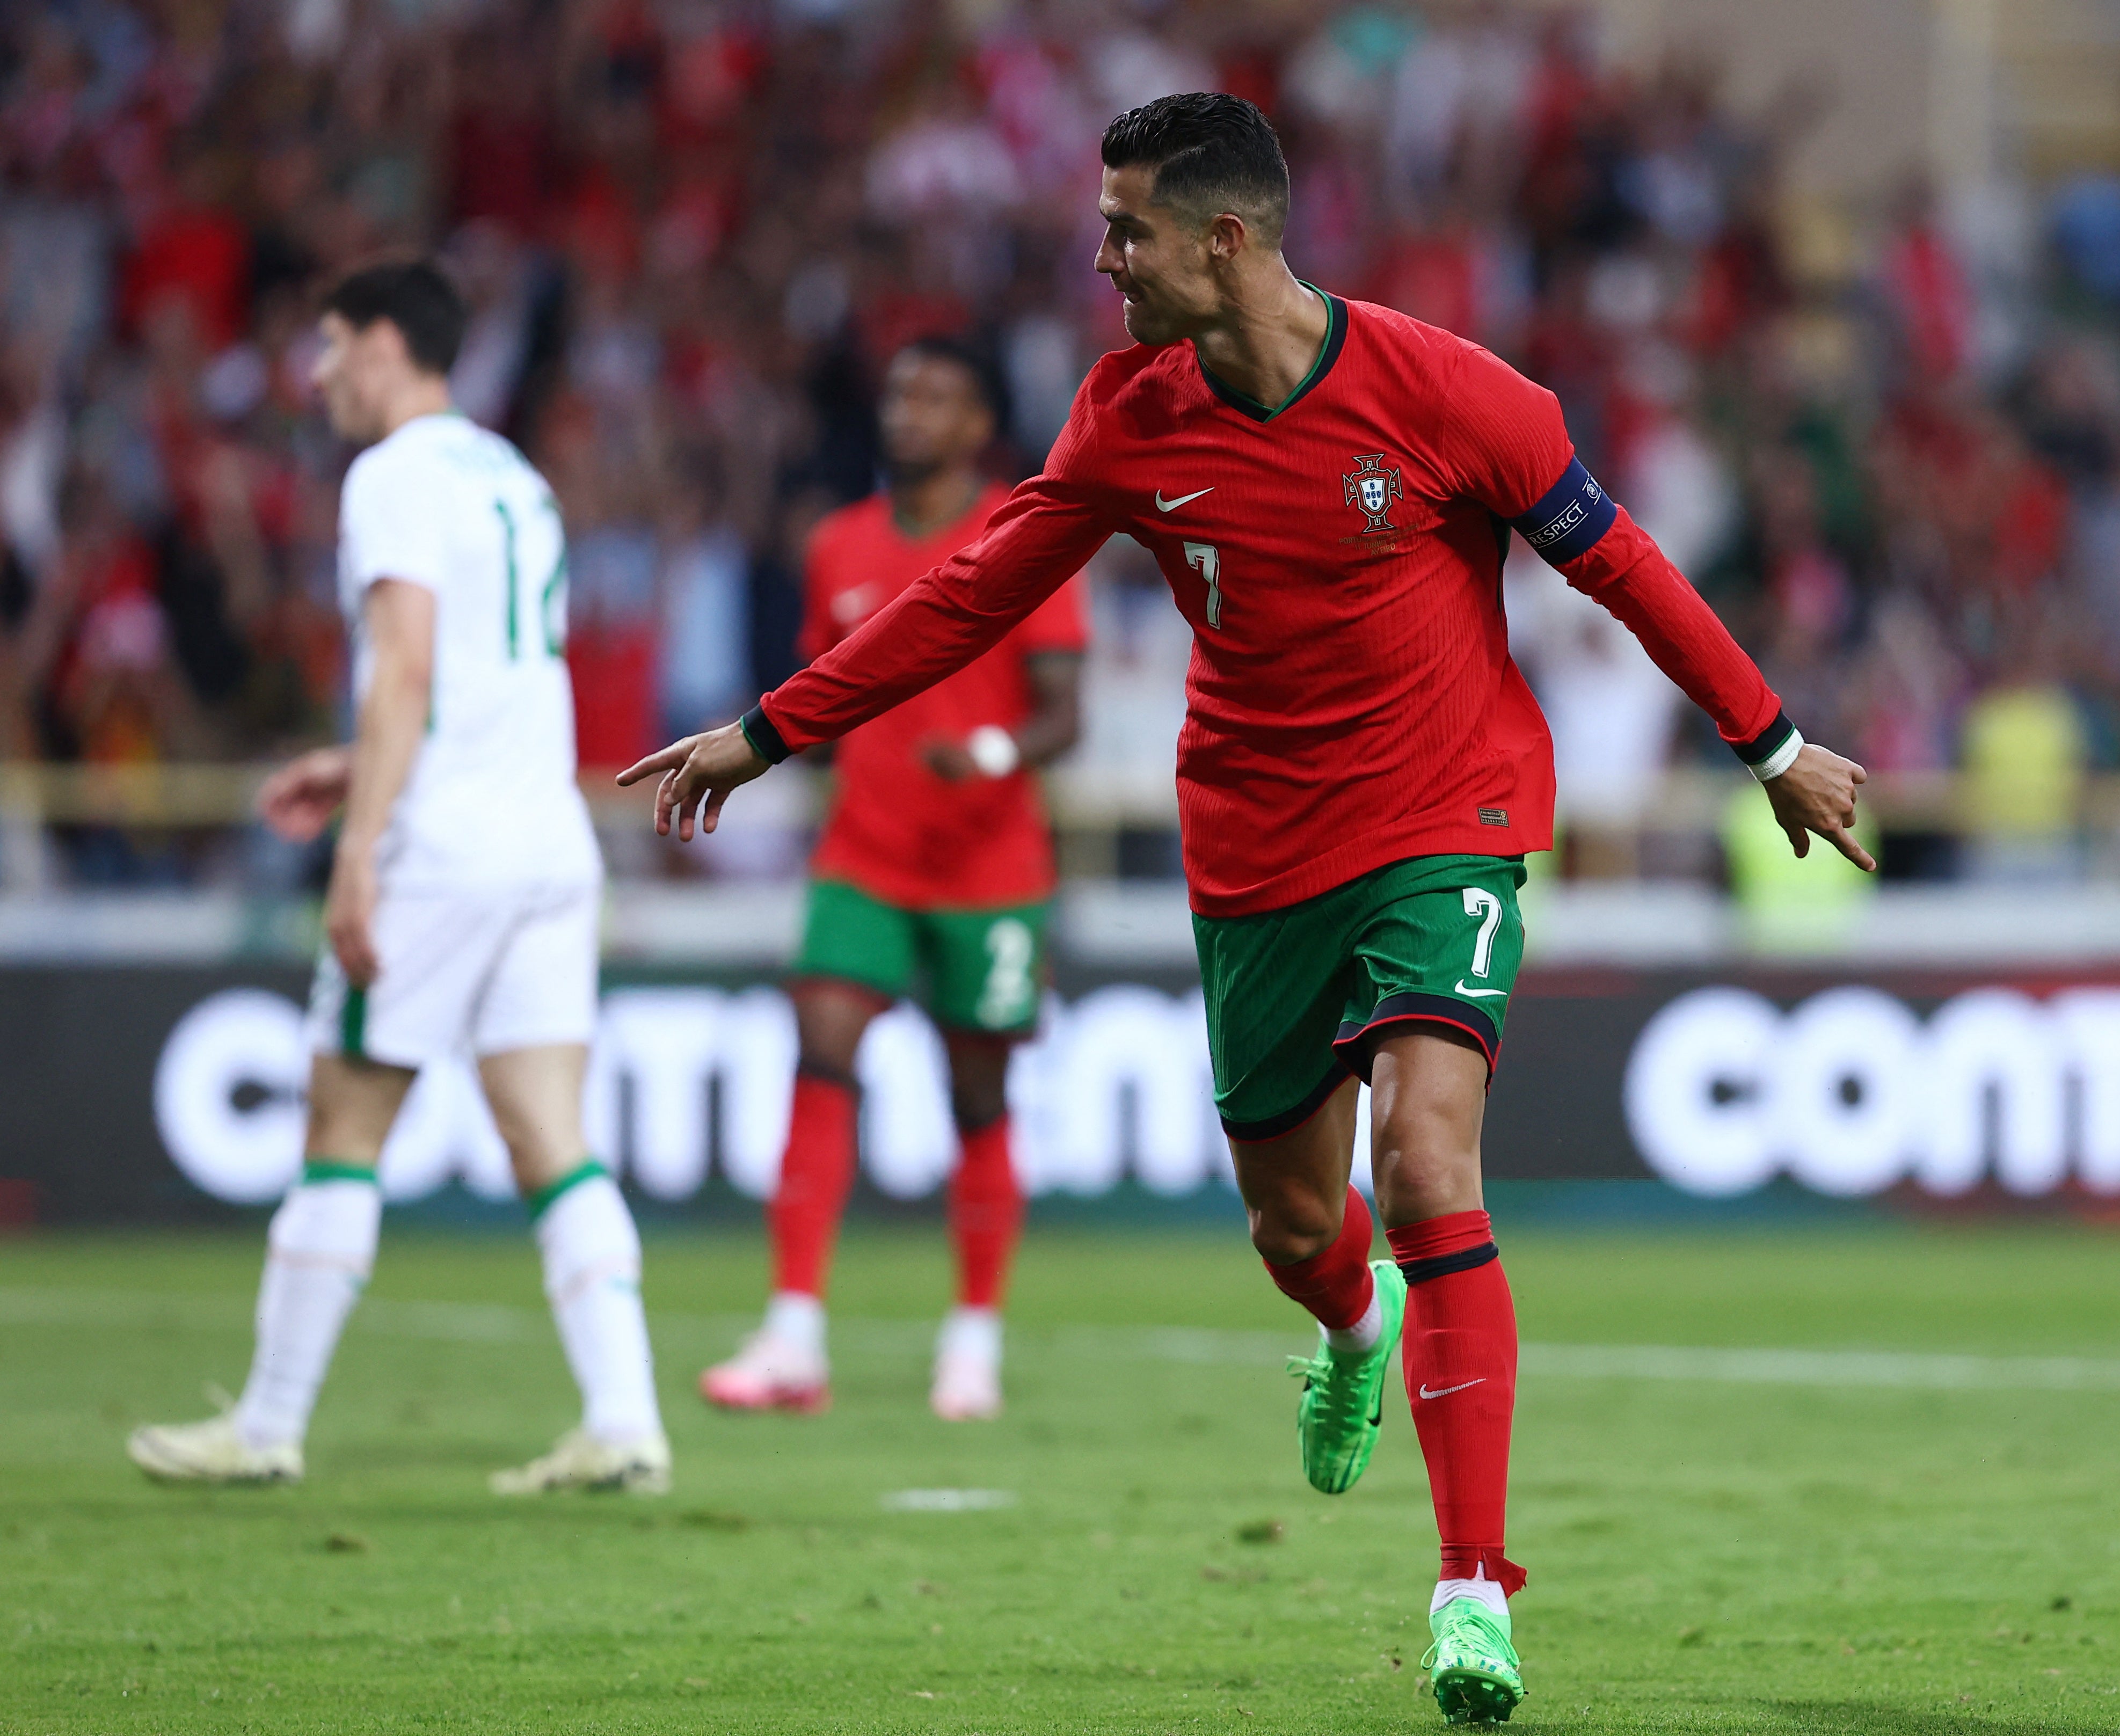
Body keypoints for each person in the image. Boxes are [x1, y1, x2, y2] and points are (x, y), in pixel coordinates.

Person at [621, 94, 1870, 1725]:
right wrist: (769, 728)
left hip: (1449, 820)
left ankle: (1471, 1586)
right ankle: (1351, 1330)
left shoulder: (1450, 395)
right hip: (1258, 854)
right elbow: (971, 588)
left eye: (1125, 226)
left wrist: (1768, 742)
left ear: (1222, 239)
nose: (1102, 255)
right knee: (1300, 1227)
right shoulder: (1127, 419)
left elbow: (1620, 562)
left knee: (1431, 1162)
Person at [127, 260, 669, 1496]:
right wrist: (349, 759)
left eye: (327, 346)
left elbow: (410, 666)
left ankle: (265, 1426)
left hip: (444, 852)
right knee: (551, 1136)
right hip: (545, 844)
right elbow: (491, 671)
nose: (316, 374)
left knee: (343, 1125)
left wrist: (359, 850)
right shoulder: (509, 475)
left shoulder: (391, 478)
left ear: (383, 343)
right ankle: (626, 1419)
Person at [698, 337, 1085, 1421]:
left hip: (989, 865)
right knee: (820, 1045)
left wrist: (994, 754)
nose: (908, 411)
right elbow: (822, 691)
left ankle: (971, 1339)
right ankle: (792, 1337)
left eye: (937, 397)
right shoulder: (837, 545)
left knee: (978, 1094)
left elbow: (1066, 710)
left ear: (978, 426)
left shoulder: (1024, 531)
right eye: (900, 392)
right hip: (863, 853)